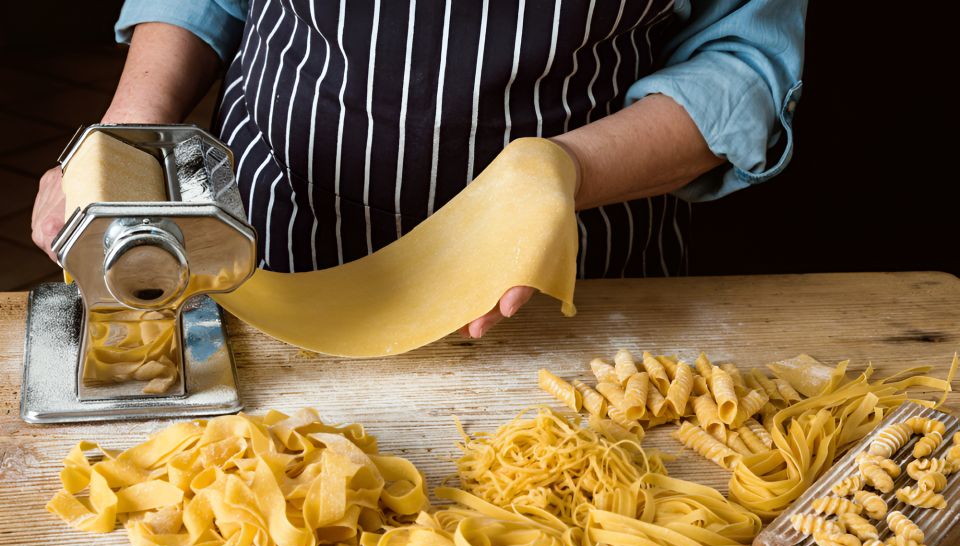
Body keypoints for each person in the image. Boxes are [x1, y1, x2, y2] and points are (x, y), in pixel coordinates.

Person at [31, 0, 806, 338]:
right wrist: (128, 143)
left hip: (567, 288)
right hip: (270, 251)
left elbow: (744, 65)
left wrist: (559, 172)